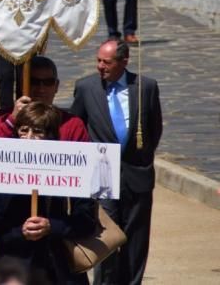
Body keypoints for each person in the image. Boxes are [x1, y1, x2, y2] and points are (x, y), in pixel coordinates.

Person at [71, 39, 162, 285]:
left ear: (124, 62)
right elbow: (76, 128)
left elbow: (154, 130)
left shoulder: (146, 87)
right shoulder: (86, 87)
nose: (100, 66)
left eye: (107, 62)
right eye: (98, 60)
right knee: (105, 240)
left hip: (136, 176)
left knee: (136, 241)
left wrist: (139, 160)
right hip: (101, 177)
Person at [0, 103, 96, 285]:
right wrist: (22, 232)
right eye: (24, 131)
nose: (29, 138)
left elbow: (86, 220)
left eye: (37, 132)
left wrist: (51, 226)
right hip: (16, 267)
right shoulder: (3, 168)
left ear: (51, 135)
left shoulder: (69, 165)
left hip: (57, 267)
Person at [0, 56, 89, 142]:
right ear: (23, 83)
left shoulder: (73, 125)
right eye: (34, 82)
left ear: (56, 86)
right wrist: (11, 121)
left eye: (48, 82)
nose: (41, 88)